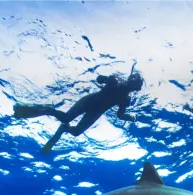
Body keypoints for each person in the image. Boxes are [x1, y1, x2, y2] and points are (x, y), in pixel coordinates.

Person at [13, 65, 143, 153]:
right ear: (130, 80)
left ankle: (62, 128)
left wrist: (129, 117)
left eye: (135, 85)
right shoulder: (116, 81)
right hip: (89, 101)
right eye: (134, 82)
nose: (132, 86)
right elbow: (99, 79)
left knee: (75, 132)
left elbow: (119, 115)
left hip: (96, 112)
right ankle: (47, 109)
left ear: (136, 89)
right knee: (66, 117)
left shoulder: (125, 99)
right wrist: (106, 79)